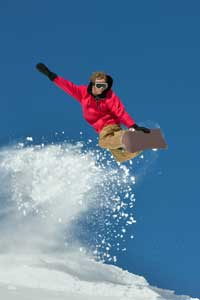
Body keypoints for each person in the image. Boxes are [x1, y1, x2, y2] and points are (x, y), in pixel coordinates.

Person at [36, 63, 150, 163]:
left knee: (103, 143)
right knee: (121, 157)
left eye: (104, 86)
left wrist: (133, 126)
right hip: (101, 131)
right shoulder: (83, 93)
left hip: (110, 127)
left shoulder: (109, 96)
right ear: (93, 83)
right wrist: (50, 75)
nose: (101, 89)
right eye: (99, 85)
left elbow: (120, 111)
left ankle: (131, 136)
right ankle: (139, 144)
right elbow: (68, 87)